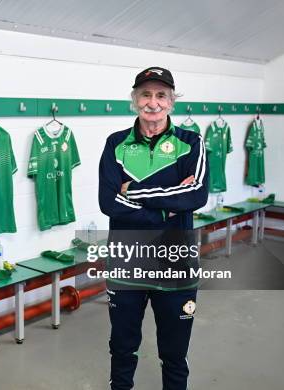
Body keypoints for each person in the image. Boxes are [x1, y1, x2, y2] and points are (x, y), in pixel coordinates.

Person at [98, 67, 209, 389]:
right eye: (145, 94)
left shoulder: (191, 142)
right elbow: (108, 202)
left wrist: (131, 192)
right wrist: (166, 211)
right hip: (126, 259)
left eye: (161, 95)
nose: (153, 102)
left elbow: (196, 194)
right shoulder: (115, 143)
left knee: (174, 351)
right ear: (135, 100)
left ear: (172, 101)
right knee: (122, 345)